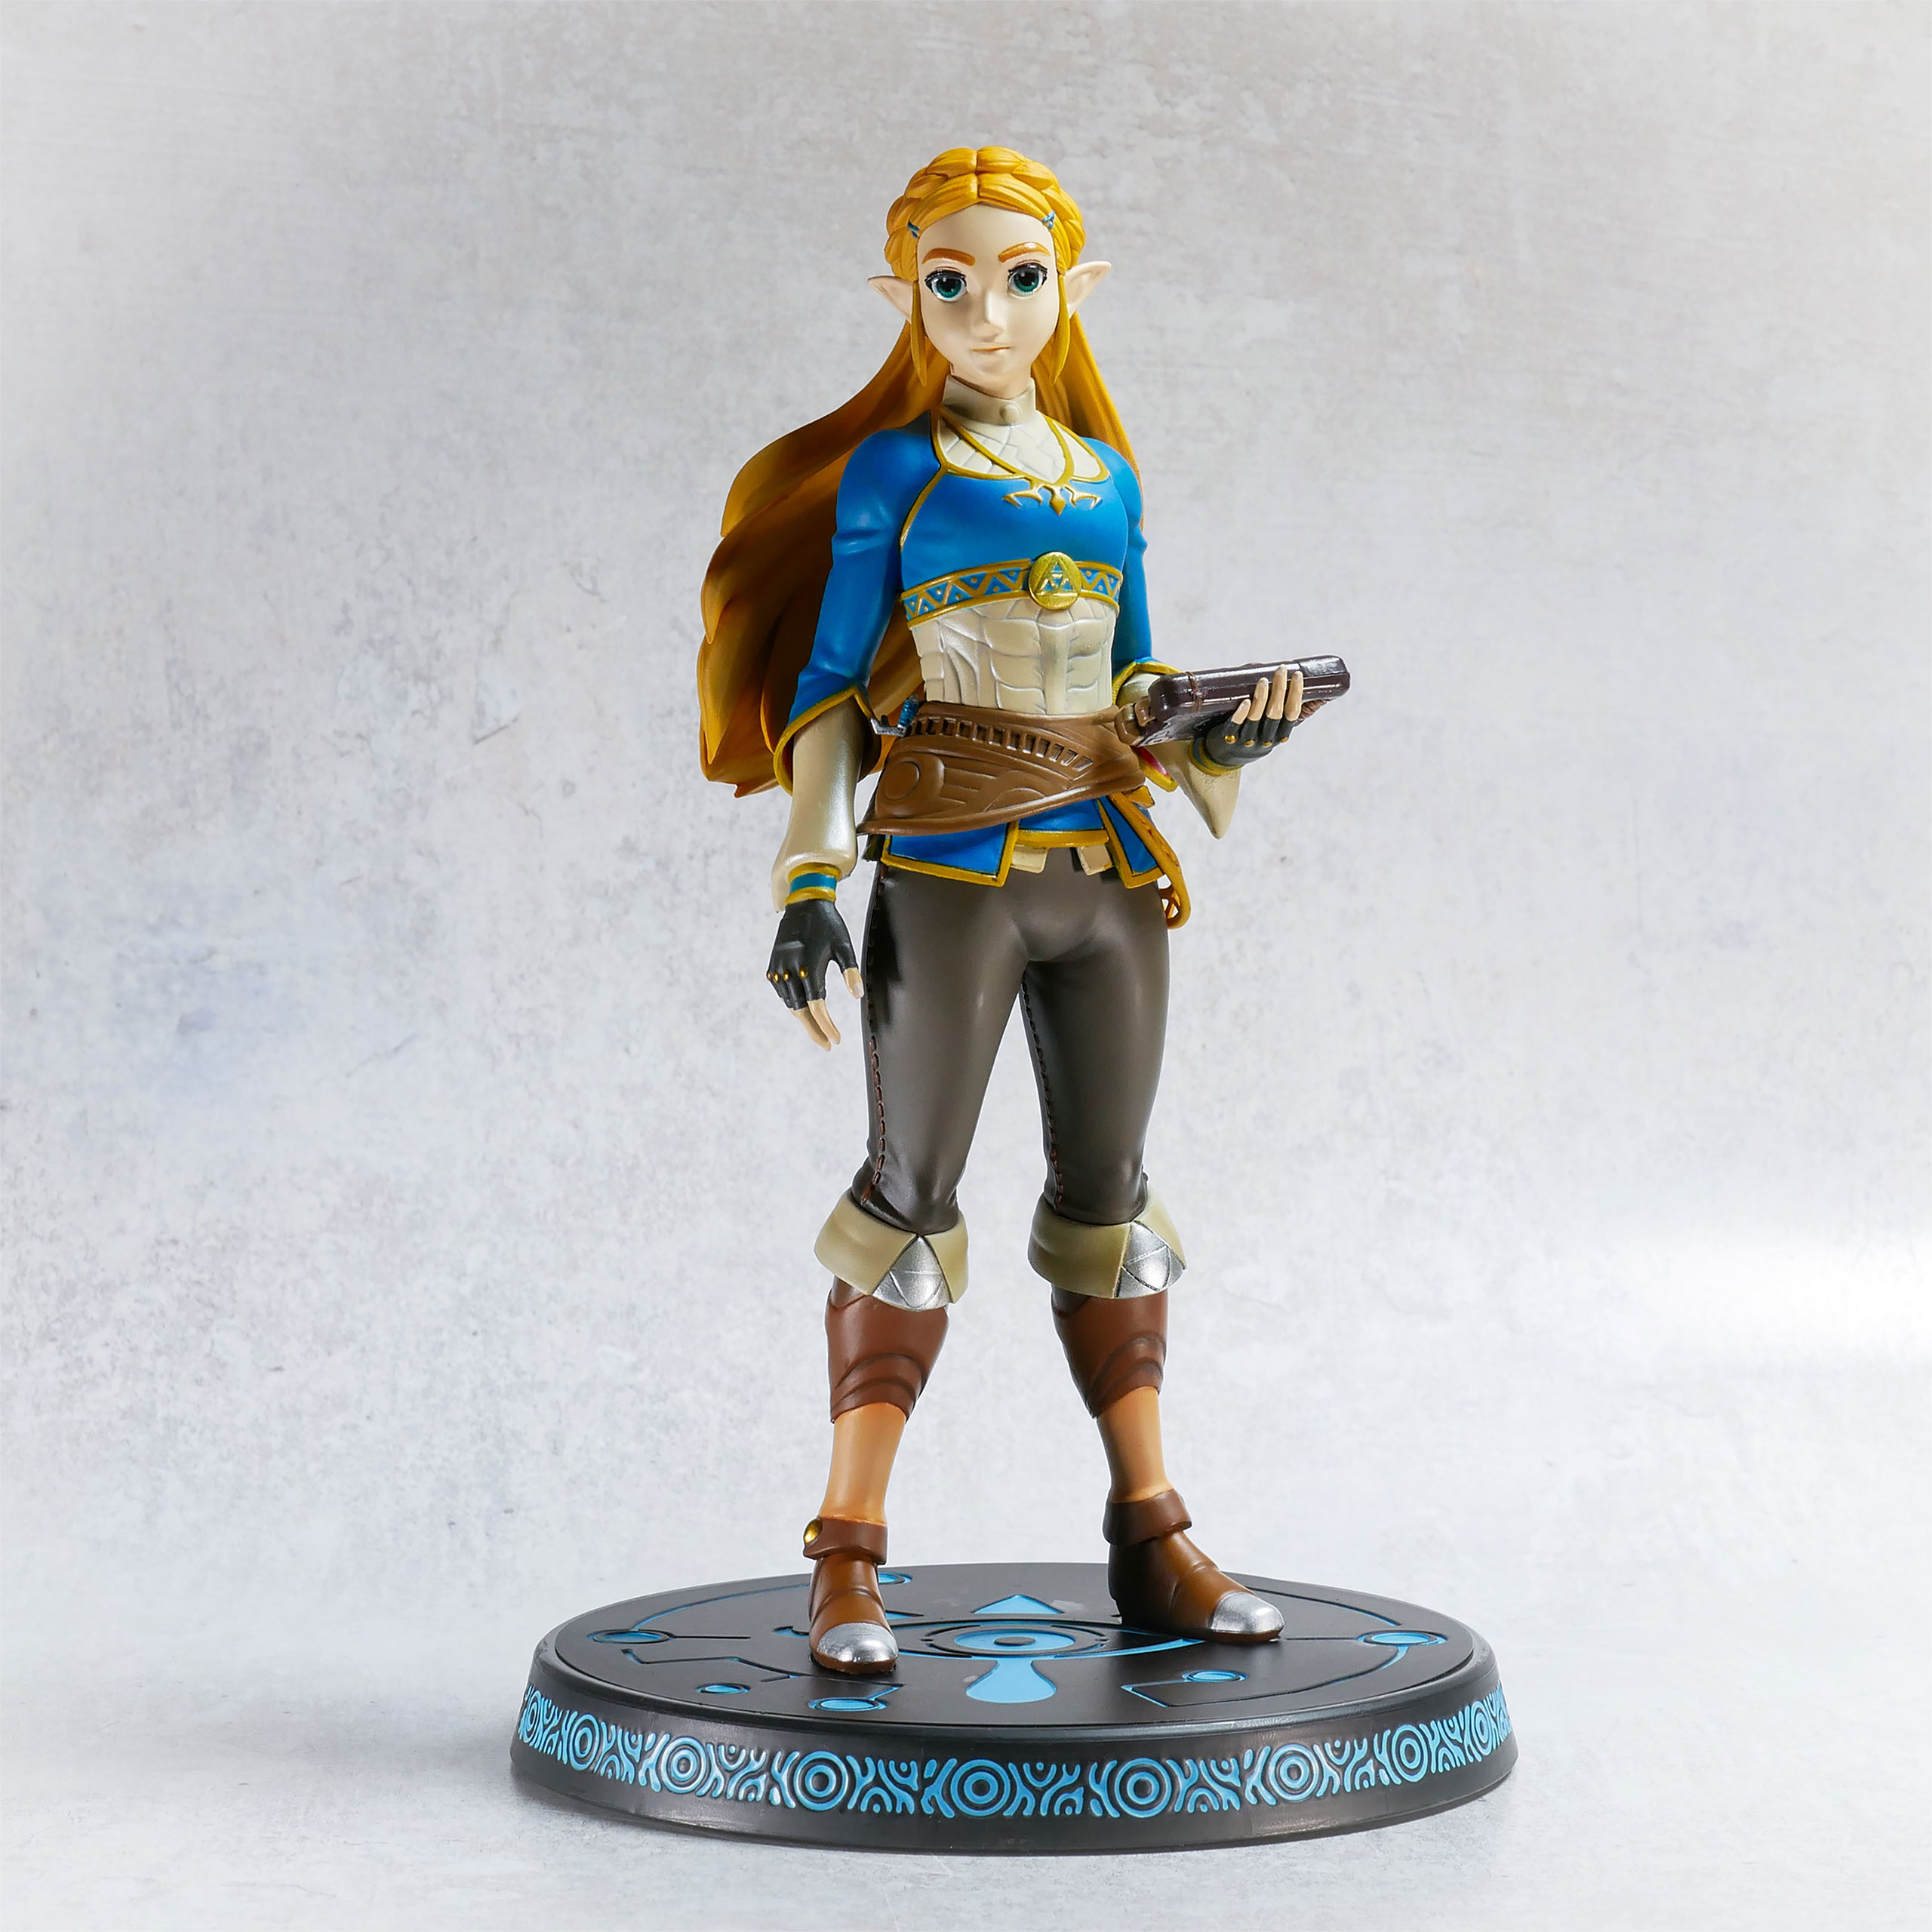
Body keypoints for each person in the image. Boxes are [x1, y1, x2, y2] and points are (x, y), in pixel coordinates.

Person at [699, 148, 1302, 1675]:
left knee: (1114, 1204)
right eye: (949, 283)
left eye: (1021, 279)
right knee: (906, 1203)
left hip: (1104, 871)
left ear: (1071, 290)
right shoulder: (897, 473)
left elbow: (1138, 686)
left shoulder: (1105, 477)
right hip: (952, 870)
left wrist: (1223, 732)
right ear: (903, 294)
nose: (986, 314)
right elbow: (831, 685)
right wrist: (809, 877)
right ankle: (846, 1554)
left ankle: (1152, 1532)